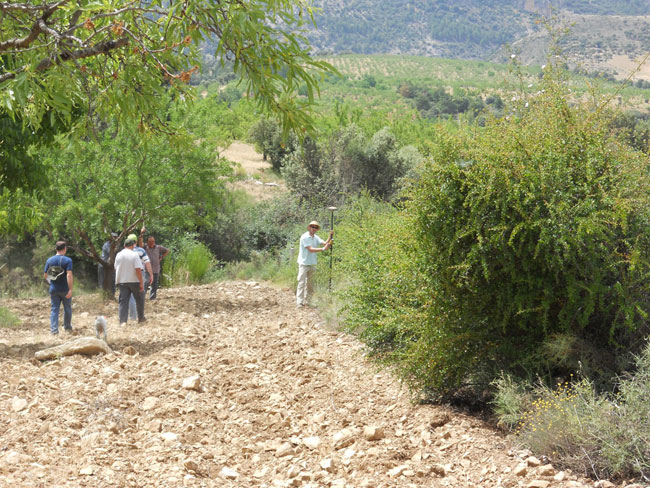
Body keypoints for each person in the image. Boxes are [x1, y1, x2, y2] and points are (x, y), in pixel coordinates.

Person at [296, 220, 333, 307]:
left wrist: (330, 236)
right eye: (312, 227)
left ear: (317, 229)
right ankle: (300, 302)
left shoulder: (316, 237)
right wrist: (323, 249)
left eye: (315, 227)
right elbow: (311, 249)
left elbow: (325, 243)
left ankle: (308, 301)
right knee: (301, 283)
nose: (314, 229)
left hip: (312, 263)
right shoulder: (305, 237)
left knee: (310, 284)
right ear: (309, 227)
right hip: (304, 263)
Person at [43, 241, 74, 335]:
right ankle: (67, 328)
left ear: (56, 249)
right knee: (67, 308)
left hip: (54, 289)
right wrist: (70, 289)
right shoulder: (68, 260)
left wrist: (51, 283)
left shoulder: (49, 260)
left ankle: (54, 330)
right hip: (65, 289)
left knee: (54, 309)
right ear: (65, 249)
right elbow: (69, 275)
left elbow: (45, 275)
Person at [114, 236, 145, 326]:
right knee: (139, 299)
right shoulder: (134, 255)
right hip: (134, 280)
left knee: (123, 302)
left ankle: (123, 321)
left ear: (124, 245)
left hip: (122, 281)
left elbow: (116, 267)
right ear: (133, 245)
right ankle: (141, 318)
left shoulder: (118, 255)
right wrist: (141, 282)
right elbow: (138, 269)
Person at [127, 234, 153, 320]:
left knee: (130, 296)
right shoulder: (141, 250)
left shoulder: (125, 251)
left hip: (128, 275)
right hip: (140, 274)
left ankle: (132, 316)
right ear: (136, 241)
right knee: (140, 295)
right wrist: (151, 274)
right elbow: (147, 263)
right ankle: (140, 316)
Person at [140, 228, 169, 300]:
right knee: (145, 283)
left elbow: (167, 250)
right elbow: (140, 244)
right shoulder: (145, 247)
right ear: (147, 241)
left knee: (154, 285)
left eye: (152, 241)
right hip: (146, 270)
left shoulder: (158, 247)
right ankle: (142, 297)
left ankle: (152, 298)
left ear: (154, 241)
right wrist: (141, 234)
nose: (151, 243)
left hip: (156, 269)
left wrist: (162, 256)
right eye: (150, 241)